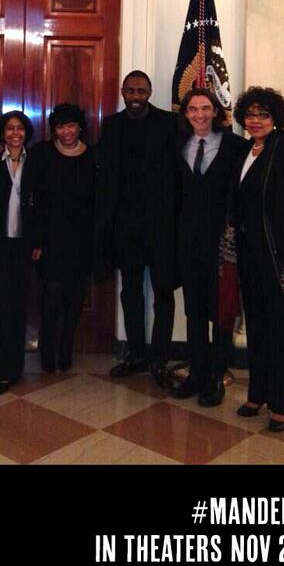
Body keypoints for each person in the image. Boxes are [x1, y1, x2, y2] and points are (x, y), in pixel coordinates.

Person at [228, 87, 284, 432]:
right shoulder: (247, 149)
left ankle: (281, 404)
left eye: (263, 114)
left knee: (280, 333)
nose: (256, 120)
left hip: (281, 261)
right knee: (257, 327)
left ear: (275, 116)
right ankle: (257, 392)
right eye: (250, 114)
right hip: (250, 255)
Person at [97, 70, 177, 387]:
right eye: (130, 91)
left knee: (163, 292)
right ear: (122, 92)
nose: (135, 97)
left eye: (141, 91)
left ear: (150, 92)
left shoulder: (170, 124)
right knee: (130, 291)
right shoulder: (111, 125)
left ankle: (159, 358)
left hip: (160, 224)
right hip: (125, 224)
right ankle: (136, 354)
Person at [171, 88, 246, 406]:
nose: (199, 114)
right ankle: (197, 374)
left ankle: (217, 377)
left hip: (223, 244)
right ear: (185, 113)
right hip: (188, 242)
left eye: (205, 108)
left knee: (222, 312)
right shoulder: (178, 145)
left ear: (216, 111)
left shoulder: (235, 146)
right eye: (192, 109)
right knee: (195, 311)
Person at [31, 103, 96, 373]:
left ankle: (66, 349)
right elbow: (31, 199)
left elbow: (97, 201)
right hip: (49, 238)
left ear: (80, 126)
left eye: (70, 125)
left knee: (74, 298)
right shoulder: (42, 153)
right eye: (60, 126)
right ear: (53, 129)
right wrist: (35, 240)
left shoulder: (93, 156)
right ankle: (47, 351)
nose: (66, 131)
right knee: (51, 297)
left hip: (82, 238)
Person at [0, 110, 35, 395]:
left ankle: (16, 368)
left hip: (24, 245)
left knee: (19, 306)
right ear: (2, 133)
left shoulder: (34, 160)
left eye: (20, 129)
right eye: (10, 128)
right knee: (1, 307)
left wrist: (38, 242)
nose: (15, 133)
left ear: (27, 133)